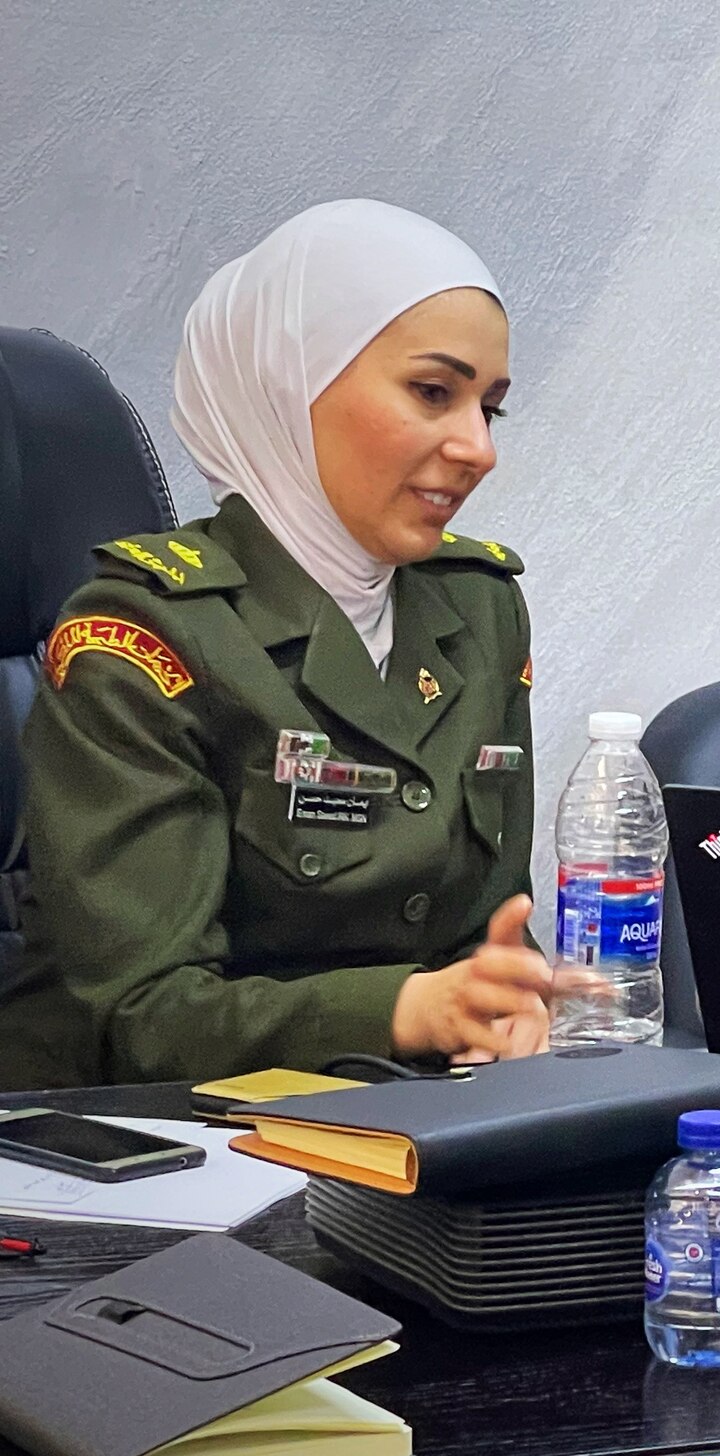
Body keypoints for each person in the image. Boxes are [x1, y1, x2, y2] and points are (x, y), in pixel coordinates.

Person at [1, 200, 549, 1088]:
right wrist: (411, 1010)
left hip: (402, 1114)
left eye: (491, 408)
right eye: (434, 393)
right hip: (144, 1140)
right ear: (292, 384)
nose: (477, 448)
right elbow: (144, 1017)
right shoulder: (146, 635)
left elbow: (485, 932)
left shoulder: (478, 609)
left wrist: (506, 1007)